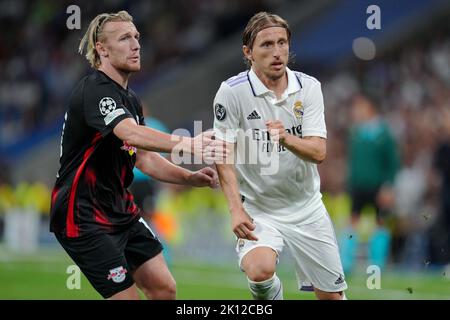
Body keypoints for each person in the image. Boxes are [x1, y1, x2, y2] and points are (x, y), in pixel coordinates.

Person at [49, 10, 223, 300]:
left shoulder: (129, 99)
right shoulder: (94, 90)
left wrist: (189, 177)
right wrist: (189, 144)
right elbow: (130, 134)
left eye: (137, 37)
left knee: (164, 288)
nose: (136, 44)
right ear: (102, 49)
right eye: (125, 38)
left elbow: (142, 157)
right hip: (82, 216)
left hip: (120, 209)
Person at [213, 12, 347, 300]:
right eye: (266, 45)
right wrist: (235, 209)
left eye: (282, 43)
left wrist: (286, 138)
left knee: (332, 298)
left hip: (307, 208)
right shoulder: (231, 92)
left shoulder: (309, 87)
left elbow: (319, 152)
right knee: (259, 270)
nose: (277, 52)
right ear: (248, 52)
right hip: (259, 209)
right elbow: (222, 153)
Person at [340, 93, 400, 274]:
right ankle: (346, 263)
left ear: (371, 107)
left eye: (360, 106)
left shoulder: (384, 134)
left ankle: (377, 265)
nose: (356, 110)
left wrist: (388, 186)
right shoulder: (356, 132)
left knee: (380, 224)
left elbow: (393, 163)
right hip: (357, 186)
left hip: (378, 187)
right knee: (352, 222)